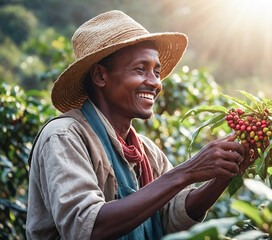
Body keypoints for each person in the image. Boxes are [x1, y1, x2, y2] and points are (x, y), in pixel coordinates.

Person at [26, 10, 256, 240]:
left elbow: (170, 218)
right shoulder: (64, 136)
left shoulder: (145, 151)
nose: (155, 82)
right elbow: (89, 228)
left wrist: (223, 174)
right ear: (100, 76)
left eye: (156, 72)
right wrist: (188, 171)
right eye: (140, 69)